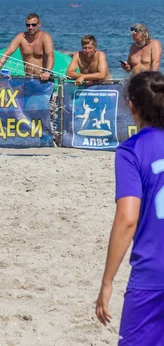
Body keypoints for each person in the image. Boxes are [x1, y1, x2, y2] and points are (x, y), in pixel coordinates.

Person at [95, 71, 164, 345]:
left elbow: (127, 219)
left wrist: (107, 282)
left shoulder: (131, 150)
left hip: (152, 272)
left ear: (132, 105)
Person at [0, 13, 54, 81]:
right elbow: (6, 54)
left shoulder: (45, 37)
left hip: (44, 78)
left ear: (39, 24)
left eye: (33, 25)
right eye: (28, 25)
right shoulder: (21, 37)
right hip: (28, 78)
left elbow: (50, 55)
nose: (30, 27)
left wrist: (47, 72)